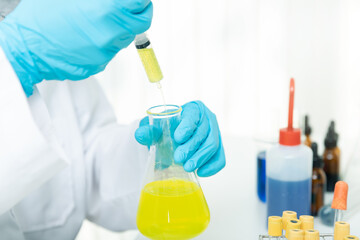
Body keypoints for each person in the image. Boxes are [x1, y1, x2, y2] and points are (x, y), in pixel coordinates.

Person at [0, 0, 226, 239]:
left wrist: (157, 153)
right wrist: (11, 61)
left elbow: (85, 160)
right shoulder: (30, 33)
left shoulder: (36, 14)